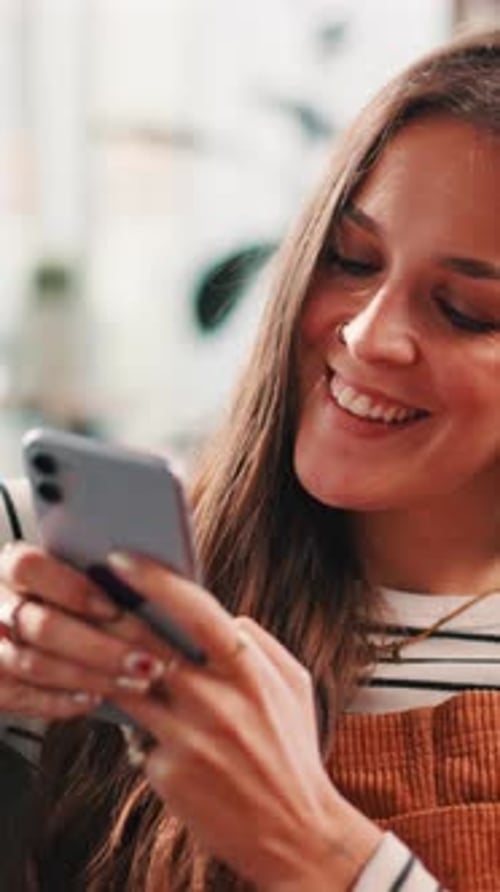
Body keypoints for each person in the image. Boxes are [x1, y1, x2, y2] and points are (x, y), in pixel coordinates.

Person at [0, 23, 498, 892]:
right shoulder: (39, 554)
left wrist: (321, 853)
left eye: (464, 309)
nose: (366, 334)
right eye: (350, 259)